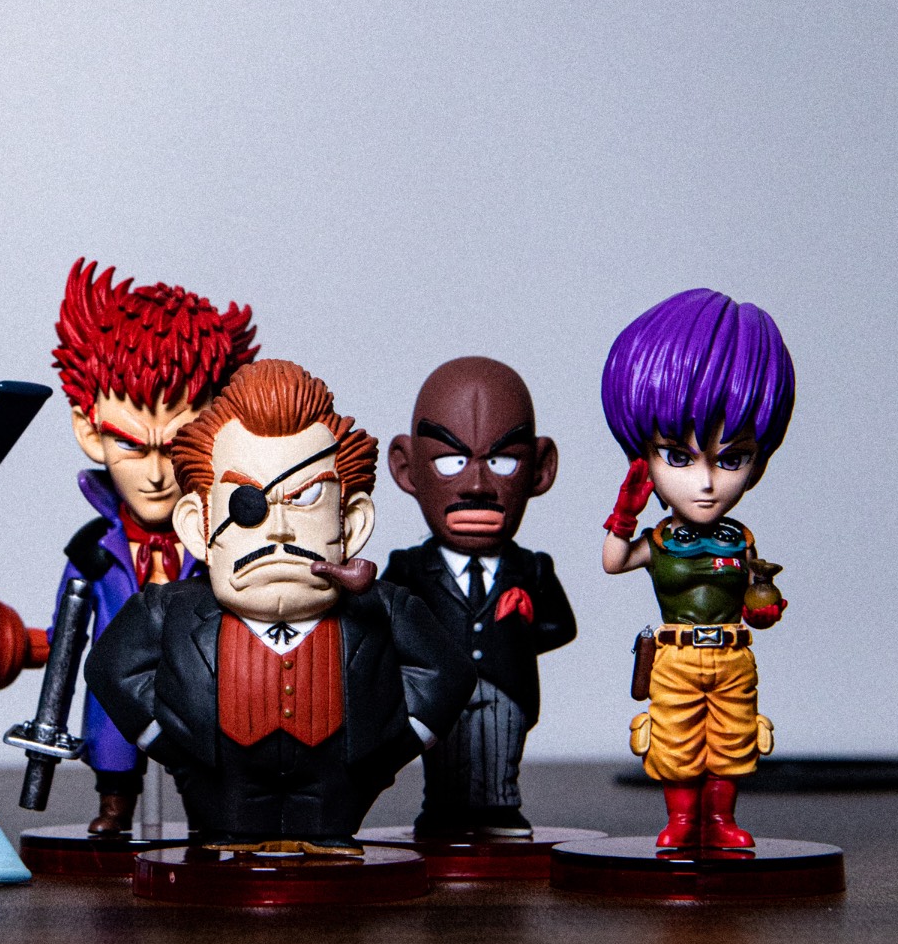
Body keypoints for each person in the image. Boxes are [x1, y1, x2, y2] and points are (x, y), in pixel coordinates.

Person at [85, 359, 474, 847]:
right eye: (248, 505)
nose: (281, 529)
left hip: (339, 794)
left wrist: (393, 747)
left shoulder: (385, 609)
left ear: (351, 524)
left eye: (307, 499)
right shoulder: (168, 610)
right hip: (220, 791)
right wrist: (168, 743)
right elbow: (110, 667)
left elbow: (447, 674)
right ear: (196, 527)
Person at [0, 259, 257, 835]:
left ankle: (211, 818)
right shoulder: (94, 550)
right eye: (133, 447)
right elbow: (67, 632)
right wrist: (19, 646)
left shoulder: (226, 543)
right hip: (115, 682)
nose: (155, 475)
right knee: (112, 738)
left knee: (210, 753)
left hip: (205, 682)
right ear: (89, 431)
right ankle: (115, 807)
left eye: (176, 447)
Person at [600, 288, 794, 851]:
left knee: (734, 739)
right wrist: (624, 514)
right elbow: (614, 562)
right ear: (644, 455)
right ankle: (683, 822)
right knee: (675, 740)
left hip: (732, 655)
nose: (706, 483)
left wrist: (764, 601)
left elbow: (759, 597)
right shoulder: (660, 539)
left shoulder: (740, 538)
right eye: (679, 457)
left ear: (757, 461)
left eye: (731, 459)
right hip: (677, 656)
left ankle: (721, 822)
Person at [384, 357, 576, 839]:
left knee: (499, 757)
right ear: (407, 469)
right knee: (444, 758)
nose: (476, 486)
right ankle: (443, 811)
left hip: (506, 691)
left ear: (540, 470)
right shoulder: (408, 570)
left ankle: (499, 811)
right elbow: (382, 628)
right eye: (451, 462)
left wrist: (519, 627)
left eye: (502, 462)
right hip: (437, 695)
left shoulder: (531, 569)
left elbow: (560, 627)